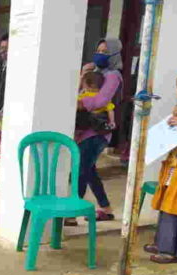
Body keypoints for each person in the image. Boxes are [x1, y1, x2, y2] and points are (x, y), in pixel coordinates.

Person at [66, 38, 124, 226]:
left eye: (106, 52)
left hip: (97, 133)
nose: (100, 55)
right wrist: (84, 72)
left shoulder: (113, 76)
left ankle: (72, 214)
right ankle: (105, 209)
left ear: (115, 54)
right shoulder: (96, 73)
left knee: (81, 170)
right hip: (85, 131)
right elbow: (76, 92)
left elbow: (100, 101)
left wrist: (81, 104)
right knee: (89, 171)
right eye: (98, 50)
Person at [143, 69, 177, 264]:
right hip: (176, 162)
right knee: (167, 202)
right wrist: (174, 115)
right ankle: (163, 243)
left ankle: (175, 251)